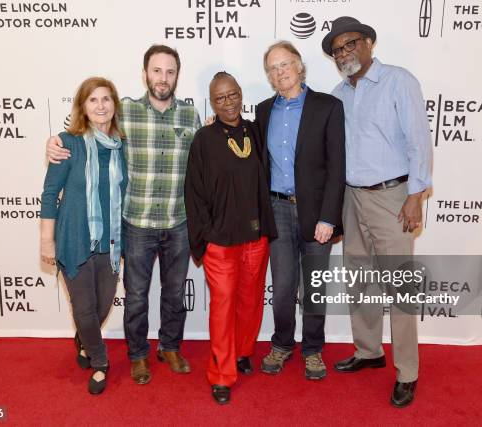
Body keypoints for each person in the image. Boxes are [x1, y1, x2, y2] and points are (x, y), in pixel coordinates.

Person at [45, 45, 201, 385]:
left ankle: (170, 346)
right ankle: (138, 355)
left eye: (170, 71)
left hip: (178, 222)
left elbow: (203, 166)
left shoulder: (191, 117)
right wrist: (54, 142)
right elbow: (87, 133)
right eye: (156, 71)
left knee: (175, 294)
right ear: (145, 74)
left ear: (177, 75)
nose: (163, 78)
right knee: (136, 295)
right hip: (135, 224)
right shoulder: (124, 113)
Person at [322, 17, 432, 407]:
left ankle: (408, 371)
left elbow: (419, 139)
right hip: (351, 198)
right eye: (337, 49)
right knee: (359, 279)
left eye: (350, 44)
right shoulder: (337, 93)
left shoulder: (399, 81)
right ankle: (369, 351)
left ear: (369, 42)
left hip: (392, 195)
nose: (344, 53)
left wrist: (416, 195)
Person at [185, 72, 276, 404]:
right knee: (222, 306)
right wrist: (205, 237)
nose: (228, 102)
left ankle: (241, 352)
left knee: (250, 300)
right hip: (220, 241)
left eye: (233, 94)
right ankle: (221, 375)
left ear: (241, 95)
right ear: (212, 103)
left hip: (255, 236)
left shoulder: (255, 131)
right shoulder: (204, 139)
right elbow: (193, 193)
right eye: (220, 98)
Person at [256, 41, 345, 380]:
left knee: (315, 287)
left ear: (299, 65)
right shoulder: (264, 111)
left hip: (316, 213)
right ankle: (281, 344)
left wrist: (328, 217)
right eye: (273, 68)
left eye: (285, 64)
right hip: (276, 208)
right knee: (281, 287)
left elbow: (337, 166)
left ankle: (312, 349)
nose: (280, 72)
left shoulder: (328, 106)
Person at [40, 77, 128, 395]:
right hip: (73, 239)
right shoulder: (68, 143)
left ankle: (83, 340)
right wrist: (46, 240)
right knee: (85, 308)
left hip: (111, 242)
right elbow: (50, 194)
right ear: (83, 107)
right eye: (93, 100)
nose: (101, 105)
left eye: (106, 99)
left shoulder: (122, 147)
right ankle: (101, 361)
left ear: (114, 105)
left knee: (102, 305)